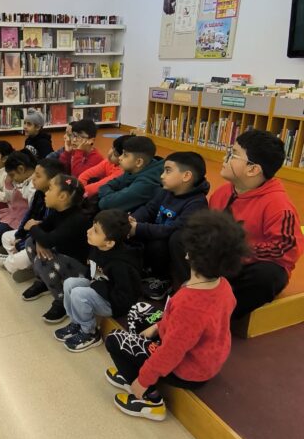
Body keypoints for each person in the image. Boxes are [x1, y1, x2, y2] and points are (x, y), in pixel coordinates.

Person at [105, 210, 249, 421]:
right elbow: (185, 326)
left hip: (188, 369)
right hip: (201, 353)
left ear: (189, 254)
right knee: (138, 311)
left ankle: (151, 400)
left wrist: (143, 380)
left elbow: (172, 351)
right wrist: (157, 326)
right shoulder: (222, 285)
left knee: (115, 340)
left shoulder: (190, 306)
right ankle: (137, 364)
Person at [206, 129, 304, 319]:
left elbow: (285, 249)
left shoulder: (279, 206)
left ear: (253, 169)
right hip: (221, 260)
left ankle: (215, 317)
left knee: (267, 276)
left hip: (248, 264)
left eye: (233, 154)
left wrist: (235, 253)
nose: (225, 158)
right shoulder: (221, 193)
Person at [55, 209, 142, 352]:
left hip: (115, 304)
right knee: (70, 283)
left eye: (95, 231)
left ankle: (90, 333)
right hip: (99, 287)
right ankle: (76, 322)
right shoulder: (97, 247)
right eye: (92, 226)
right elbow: (92, 271)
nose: (89, 231)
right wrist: (94, 284)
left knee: (79, 294)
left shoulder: (121, 264)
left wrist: (96, 288)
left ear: (109, 243)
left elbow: (124, 298)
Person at [128, 151, 209, 299]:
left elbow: (173, 229)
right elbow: (149, 209)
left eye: (168, 171)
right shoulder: (165, 191)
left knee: (161, 241)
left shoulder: (197, 203)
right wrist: (132, 220)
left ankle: (164, 279)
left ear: (186, 176)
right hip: (155, 239)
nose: (162, 176)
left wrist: (138, 228)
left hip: (171, 249)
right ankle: (144, 269)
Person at [22, 174, 91, 323]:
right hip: (63, 260)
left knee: (43, 261)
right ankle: (43, 281)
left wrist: (34, 228)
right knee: (30, 242)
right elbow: (43, 229)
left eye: (50, 189)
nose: (46, 193)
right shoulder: (59, 212)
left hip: (80, 269)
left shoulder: (77, 219)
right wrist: (38, 239)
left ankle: (62, 301)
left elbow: (46, 238)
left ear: (62, 196)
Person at [0, 157, 64, 273]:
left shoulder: (56, 202)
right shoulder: (39, 193)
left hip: (45, 243)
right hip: (35, 235)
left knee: (23, 254)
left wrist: (24, 242)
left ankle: (9, 261)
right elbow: (30, 215)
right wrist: (20, 235)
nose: (33, 178)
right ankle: (20, 262)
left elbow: (47, 230)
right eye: (34, 174)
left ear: (52, 180)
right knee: (6, 237)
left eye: (38, 176)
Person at [97, 135, 164, 212]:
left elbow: (105, 204)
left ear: (139, 162)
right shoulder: (132, 170)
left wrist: (109, 197)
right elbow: (104, 186)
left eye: (125, 155)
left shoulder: (146, 184)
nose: (120, 158)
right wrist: (111, 196)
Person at [0, 150, 37, 249]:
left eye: (12, 175)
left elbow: (31, 213)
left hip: (22, 220)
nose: (12, 178)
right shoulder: (23, 180)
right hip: (13, 213)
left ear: (21, 169)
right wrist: (8, 183)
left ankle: (4, 245)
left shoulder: (32, 186)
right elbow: (9, 198)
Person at [78, 133, 128, 201]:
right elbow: (84, 176)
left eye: (115, 154)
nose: (110, 153)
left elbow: (94, 189)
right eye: (112, 147)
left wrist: (78, 151)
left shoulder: (121, 172)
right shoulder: (108, 162)